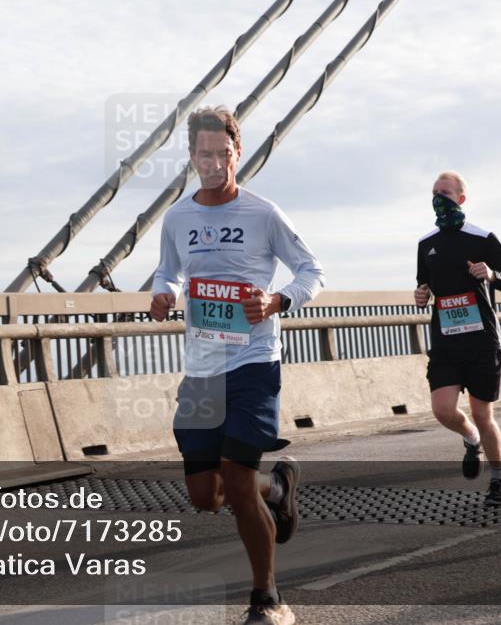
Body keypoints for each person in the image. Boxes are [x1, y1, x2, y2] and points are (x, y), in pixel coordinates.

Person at [150, 106, 325, 625]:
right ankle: (279, 488)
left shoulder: (263, 214)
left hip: (253, 363)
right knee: (205, 496)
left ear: (236, 153)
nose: (213, 163)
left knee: (237, 478)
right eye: (203, 155)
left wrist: (276, 302)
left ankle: (268, 599)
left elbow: (312, 270)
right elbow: (168, 270)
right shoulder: (178, 217)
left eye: (222, 154)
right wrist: (162, 294)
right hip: (202, 367)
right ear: (191, 157)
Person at [414, 171, 501, 506]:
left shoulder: (482, 238)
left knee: (482, 413)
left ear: (461, 198)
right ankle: (470, 437)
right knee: (443, 410)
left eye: (445, 192)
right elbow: (424, 285)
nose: (438, 198)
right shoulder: (426, 244)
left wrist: (491, 274)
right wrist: (421, 294)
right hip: (446, 343)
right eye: (434, 192)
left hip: (481, 342)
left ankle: (500, 482)